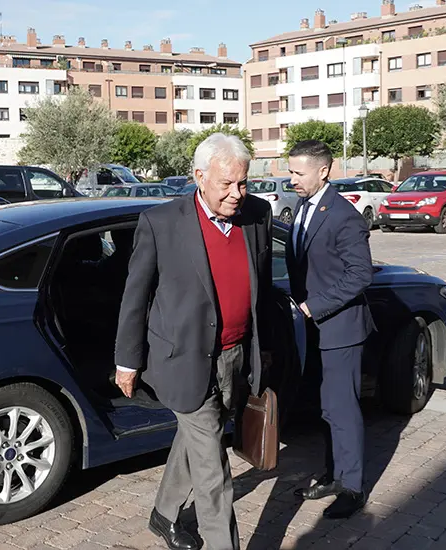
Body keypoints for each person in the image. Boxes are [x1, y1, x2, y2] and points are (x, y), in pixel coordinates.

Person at [114, 133, 272, 550]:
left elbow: (264, 289)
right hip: (183, 358)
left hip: (235, 356)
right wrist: (126, 360)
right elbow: (136, 295)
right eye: (227, 184)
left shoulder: (257, 215)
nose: (237, 194)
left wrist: (265, 351)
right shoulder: (162, 223)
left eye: (244, 183)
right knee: (213, 470)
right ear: (199, 177)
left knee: (194, 439)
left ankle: (164, 515)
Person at [285, 140, 375, 519]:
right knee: (324, 408)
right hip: (313, 330)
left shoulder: (344, 216)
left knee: (342, 409)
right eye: (289, 172)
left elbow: (360, 275)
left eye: (297, 173)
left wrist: (311, 306)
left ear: (323, 171)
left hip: (339, 330)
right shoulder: (300, 208)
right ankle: (332, 474)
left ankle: (352, 487)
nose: (290, 180)